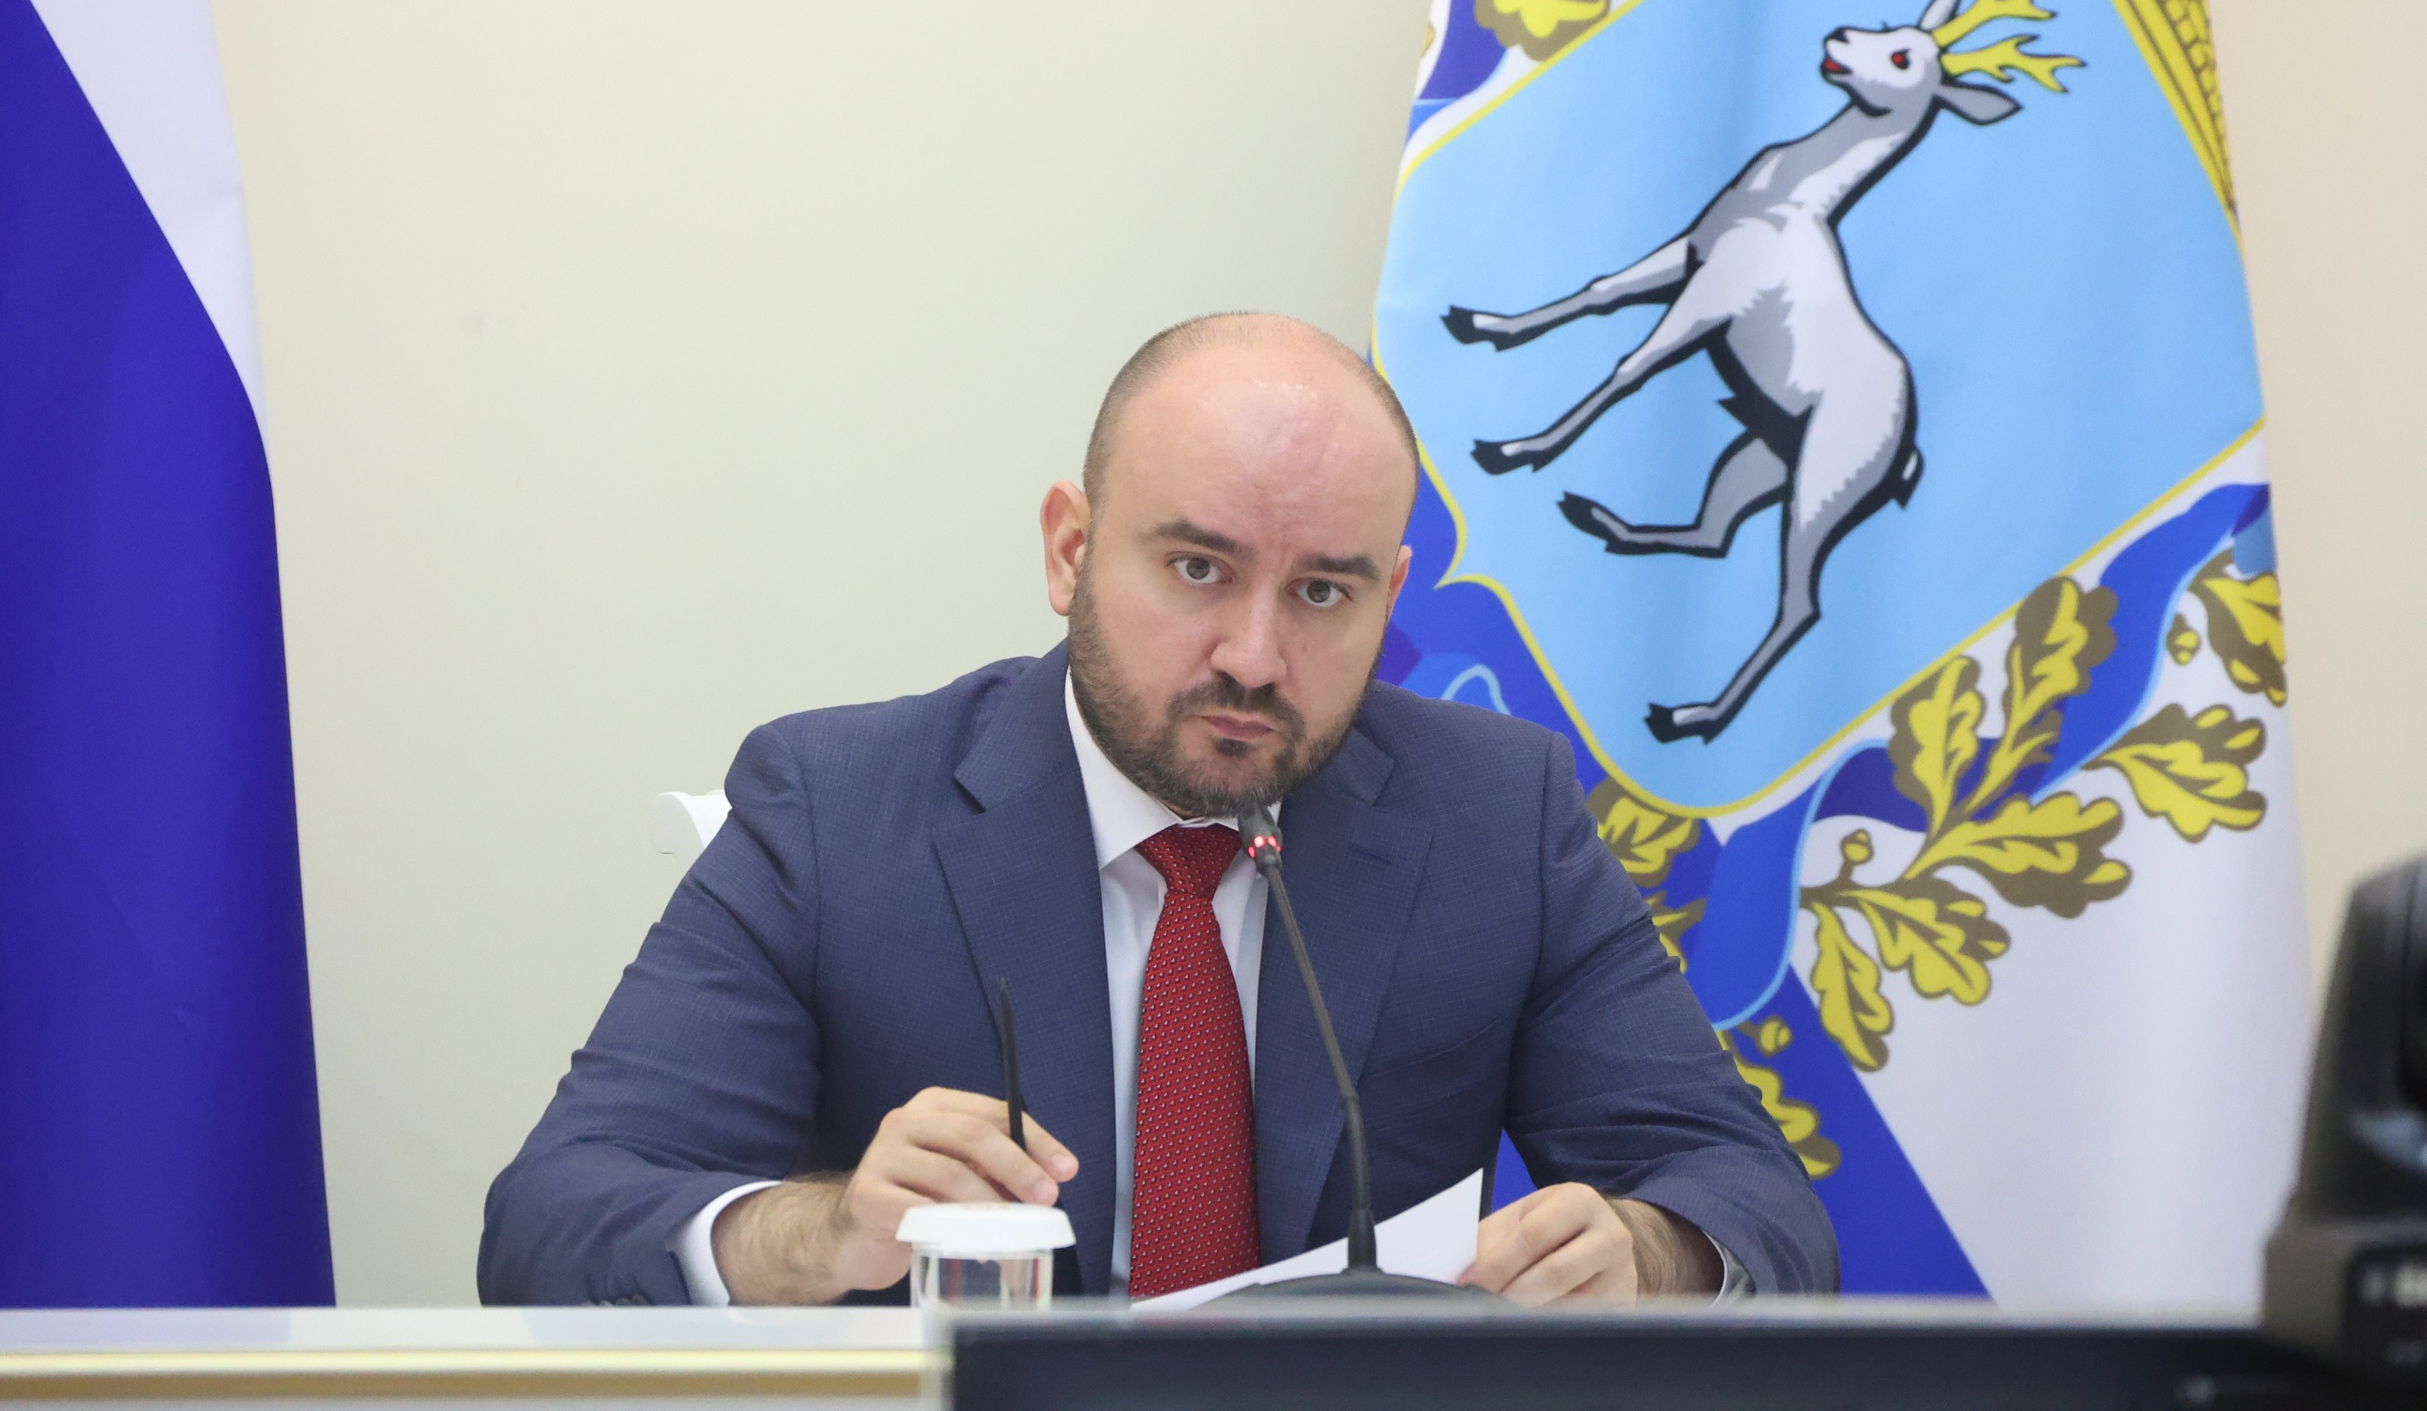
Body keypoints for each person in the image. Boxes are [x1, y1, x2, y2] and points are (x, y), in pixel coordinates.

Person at [479, 314, 1835, 1306]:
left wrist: (1648, 1252)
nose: (1255, 655)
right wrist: (824, 1233)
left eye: (1324, 592)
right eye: (1198, 568)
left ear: (1391, 592)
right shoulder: (834, 808)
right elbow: (552, 1220)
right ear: (1070, 550)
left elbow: (1755, 1201)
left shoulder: (1500, 816)